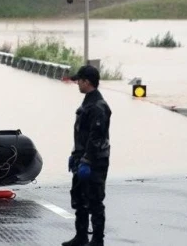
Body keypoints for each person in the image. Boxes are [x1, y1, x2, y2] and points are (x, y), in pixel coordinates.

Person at [63, 65, 112, 246]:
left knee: (95, 200)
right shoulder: (87, 103)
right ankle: (81, 236)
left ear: (87, 81)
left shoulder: (99, 106)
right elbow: (82, 134)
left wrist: (87, 160)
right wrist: (75, 155)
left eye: (79, 80)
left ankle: (97, 240)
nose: (77, 84)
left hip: (95, 161)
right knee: (79, 198)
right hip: (81, 158)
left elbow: (96, 137)